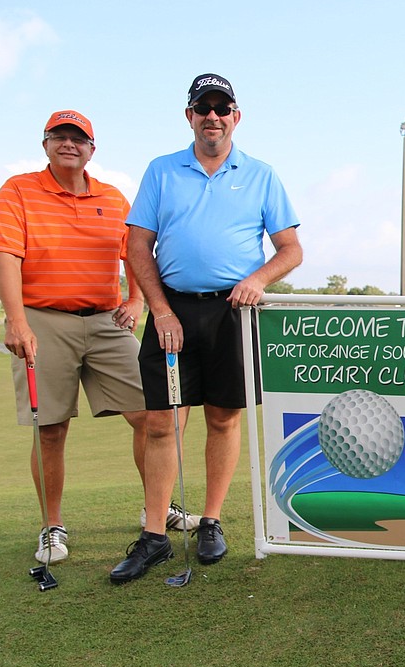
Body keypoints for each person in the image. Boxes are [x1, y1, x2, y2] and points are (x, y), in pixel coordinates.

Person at [110, 74, 303, 584]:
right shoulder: (162, 170)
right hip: (171, 311)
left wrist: (258, 279)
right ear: (189, 116)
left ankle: (211, 522)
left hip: (231, 314)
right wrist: (161, 310)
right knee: (160, 423)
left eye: (222, 107)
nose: (212, 116)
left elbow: (290, 249)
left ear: (235, 116)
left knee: (223, 420)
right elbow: (137, 247)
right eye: (203, 107)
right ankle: (154, 536)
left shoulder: (260, 174)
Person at [0, 110, 176, 565]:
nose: (69, 144)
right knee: (50, 429)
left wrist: (136, 300)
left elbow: (135, 251)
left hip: (107, 321)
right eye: (59, 137)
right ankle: (52, 525)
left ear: (92, 148)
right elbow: (6, 255)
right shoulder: (18, 189)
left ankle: (156, 510)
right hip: (42, 319)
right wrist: (15, 320)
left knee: (150, 416)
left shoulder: (112, 196)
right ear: (45, 143)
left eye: (78, 138)